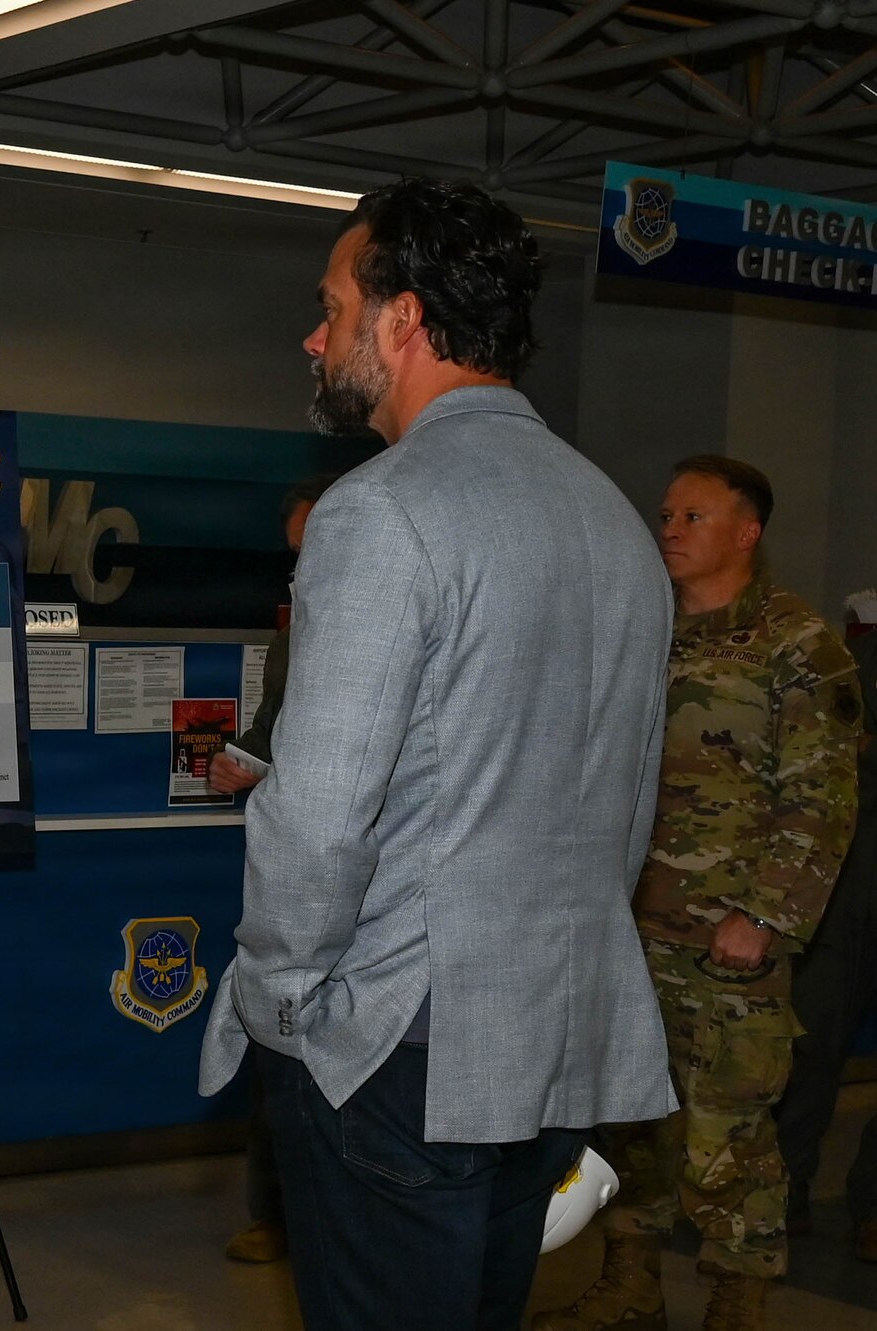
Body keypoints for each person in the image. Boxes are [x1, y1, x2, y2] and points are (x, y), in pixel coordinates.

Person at [196, 177, 677, 1331]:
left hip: (394, 1049)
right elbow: (624, 801)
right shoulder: (612, 517)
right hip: (547, 1038)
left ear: (401, 318)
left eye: (330, 307)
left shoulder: (381, 510)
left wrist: (278, 999)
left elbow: (320, 811)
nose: (313, 337)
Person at [539, 458, 861, 1331]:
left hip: (730, 937)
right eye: (667, 514)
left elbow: (822, 799)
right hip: (628, 928)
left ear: (747, 532)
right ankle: (630, 1287)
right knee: (631, 1123)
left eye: (694, 516)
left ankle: (737, 1303)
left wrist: (764, 915)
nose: (671, 529)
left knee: (730, 1134)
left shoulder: (797, 644)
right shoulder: (645, 629)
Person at [212, 471, 337, 1266]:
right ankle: (278, 1214)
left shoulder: (403, 617)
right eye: (295, 552)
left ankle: (344, 1218)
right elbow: (271, 729)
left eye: (315, 545)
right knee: (279, 1034)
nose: (304, 564)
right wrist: (242, 762)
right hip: (295, 873)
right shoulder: (296, 629)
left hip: (377, 879)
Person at [777, 624, 877, 1260]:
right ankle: (781, 1194)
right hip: (848, 877)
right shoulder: (859, 654)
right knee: (812, 1041)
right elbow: (834, 750)